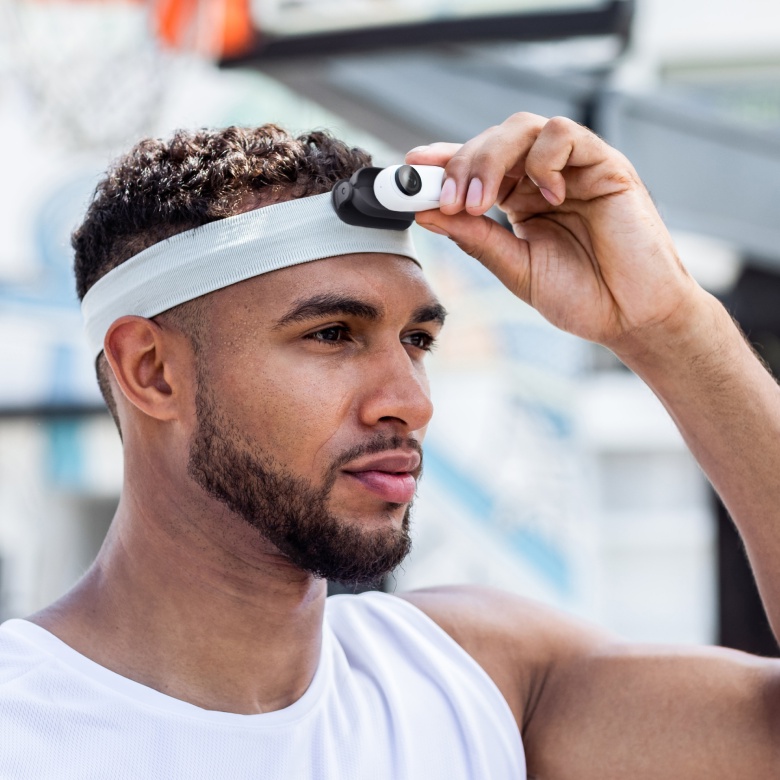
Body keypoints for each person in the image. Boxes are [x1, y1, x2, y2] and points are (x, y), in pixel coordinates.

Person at [1, 114, 778, 778]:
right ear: (152, 370)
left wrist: (671, 326)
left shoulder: (484, 681)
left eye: (417, 341)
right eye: (332, 334)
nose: (411, 402)